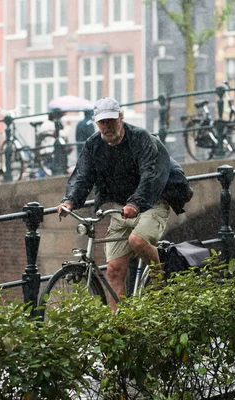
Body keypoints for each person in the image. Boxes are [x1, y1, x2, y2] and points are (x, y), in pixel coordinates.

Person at [57, 97, 193, 309]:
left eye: (111, 120)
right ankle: (119, 327)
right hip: (121, 209)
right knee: (114, 270)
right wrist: (70, 201)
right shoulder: (93, 145)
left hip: (151, 203)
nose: (107, 126)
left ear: (121, 118)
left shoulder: (140, 139)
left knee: (137, 241)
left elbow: (151, 174)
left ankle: (161, 280)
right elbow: (83, 175)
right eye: (102, 122)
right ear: (96, 123)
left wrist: (137, 203)